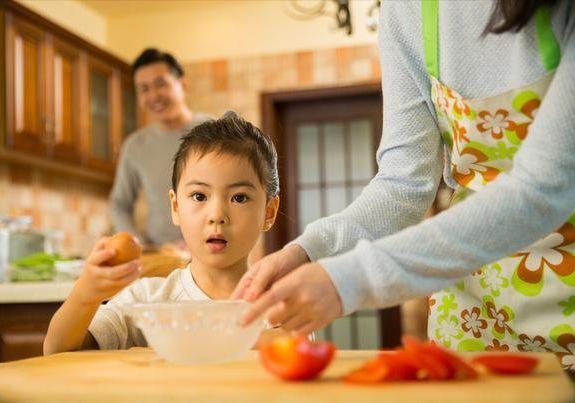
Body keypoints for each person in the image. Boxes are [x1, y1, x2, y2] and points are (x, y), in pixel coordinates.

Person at [234, 0, 575, 371]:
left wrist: (349, 278)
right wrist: (309, 251)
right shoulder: (406, 10)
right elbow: (402, 183)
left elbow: (544, 187)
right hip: (475, 309)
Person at [44, 111, 282, 354]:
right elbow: (57, 350)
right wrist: (87, 294)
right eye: (199, 196)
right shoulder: (147, 301)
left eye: (239, 197)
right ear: (176, 206)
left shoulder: (283, 306)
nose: (216, 215)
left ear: (269, 212)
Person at [110, 48, 211, 247]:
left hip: (213, 249)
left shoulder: (217, 131)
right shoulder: (135, 146)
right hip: (161, 258)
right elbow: (119, 204)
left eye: (160, 84)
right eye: (144, 89)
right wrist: (138, 243)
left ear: (182, 84)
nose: (153, 95)